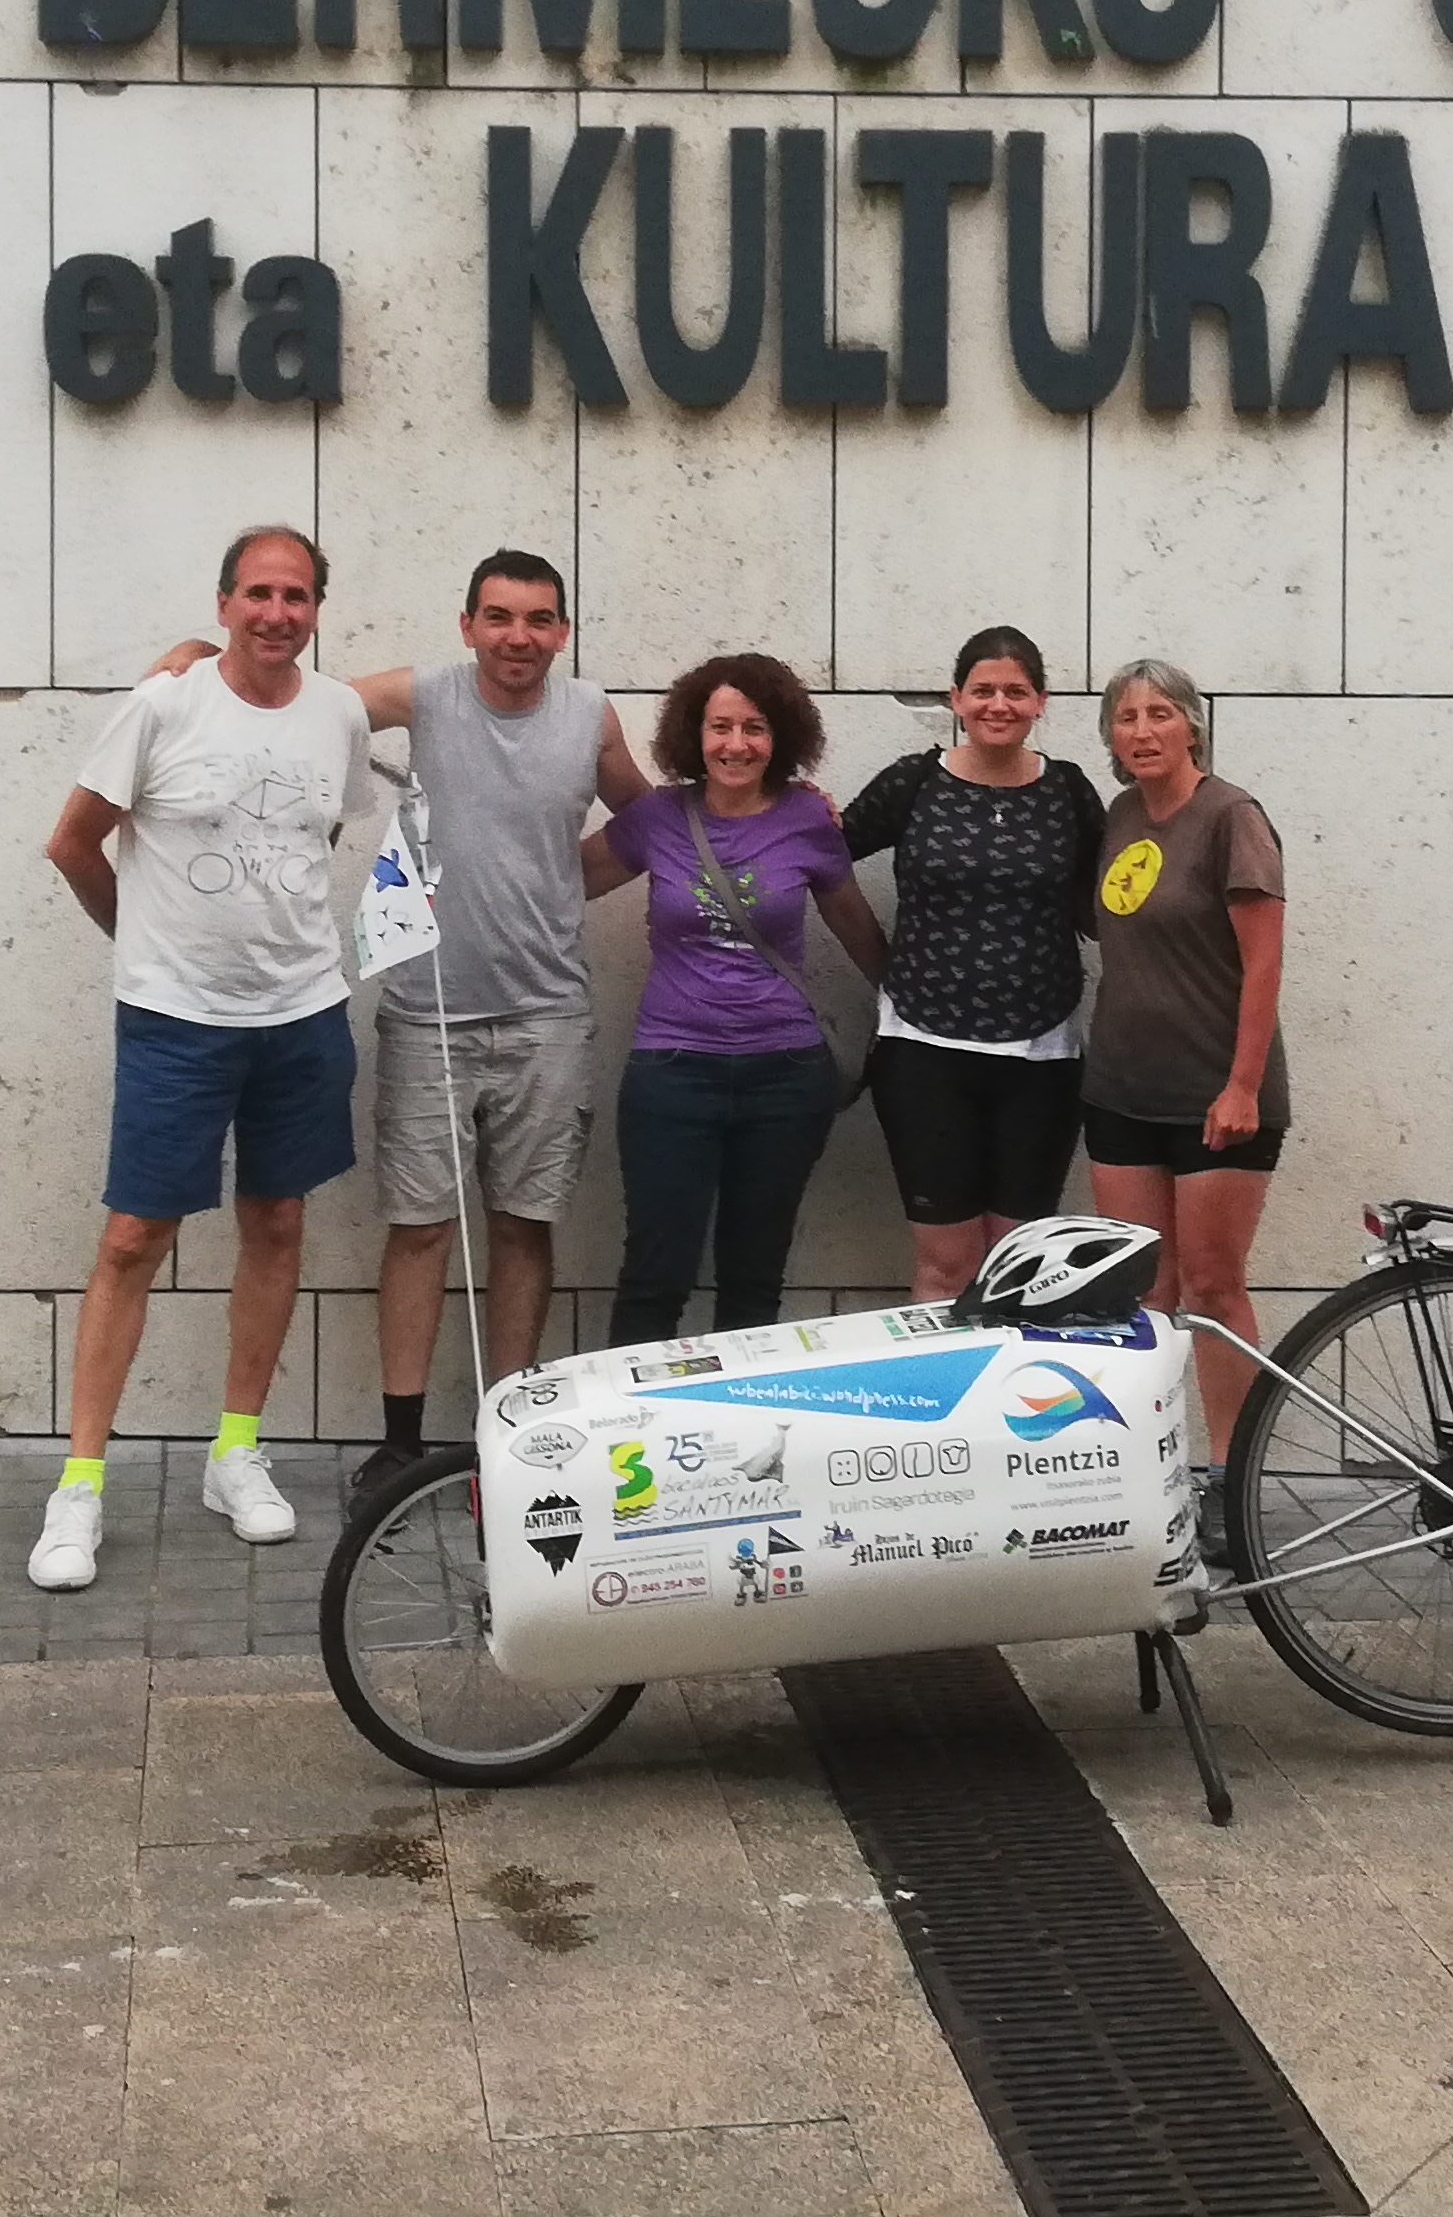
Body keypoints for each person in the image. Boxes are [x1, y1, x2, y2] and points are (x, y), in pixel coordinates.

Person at [160, 551, 647, 1506]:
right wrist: (198, 660)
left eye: (538, 619)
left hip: (548, 1015)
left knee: (524, 1226)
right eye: (498, 617)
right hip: (430, 1013)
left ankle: (508, 1442)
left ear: (562, 631)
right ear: (467, 625)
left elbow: (656, 819)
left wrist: (570, 882)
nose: (517, 636)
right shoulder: (423, 696)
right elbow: (295, 696)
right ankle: (400, 1443)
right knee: (419, 1228)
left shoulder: (591, 716)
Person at [27, 527, 380, 1590]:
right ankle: (79, 1485)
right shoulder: (163, 705)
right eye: (258, 593)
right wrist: (142, 945)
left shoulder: (340, 714)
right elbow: (72, 843)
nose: (278, 613)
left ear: (316, 610)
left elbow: (317, 839)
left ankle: (235, 1452)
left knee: (278, 1222)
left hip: (302, 1014)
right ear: (224, 603)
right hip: (175, 1022)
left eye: (297, 596)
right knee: (134, 1239)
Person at [581, 652, 887, 1345]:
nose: (736, 745)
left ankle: (742, 1415)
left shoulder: (808, 820)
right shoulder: (658, 818)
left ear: (781, 737)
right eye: (721, 727)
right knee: (656, 1275)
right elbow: (562, 884)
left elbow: (862, 937)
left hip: (785, 1077)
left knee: (754, 1279)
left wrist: (917, 1019)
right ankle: (636, 1411)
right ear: (694, 734)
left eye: (755, 727)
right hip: (672, 1074)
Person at [842, 628, 1105, 1304]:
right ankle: (944, 1375)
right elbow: (821, 855)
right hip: (924, 1053)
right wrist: (879, 961)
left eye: (1016, 691)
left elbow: (1110, 899)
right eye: (983, 690)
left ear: (1041, 701)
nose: (999, 704)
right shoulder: (912, 781)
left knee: (1021, 1265)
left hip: (1042, 1056)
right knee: (947, 1263)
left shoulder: (1069, 792)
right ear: (956, 698)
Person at [1081, 658, 1289, 1467]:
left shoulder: (1232, 817)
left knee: (1211, 1290)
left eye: (1159, 714)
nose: (1142, 731)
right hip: (1122, 1092)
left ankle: (1233, 1478)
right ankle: (1153, 1479)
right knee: (1142, 1293)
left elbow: (1264, 963)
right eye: (1126, 717)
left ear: (1192, 726)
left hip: (1216, 1097)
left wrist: (1242, 1085)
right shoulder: (1121, 816)